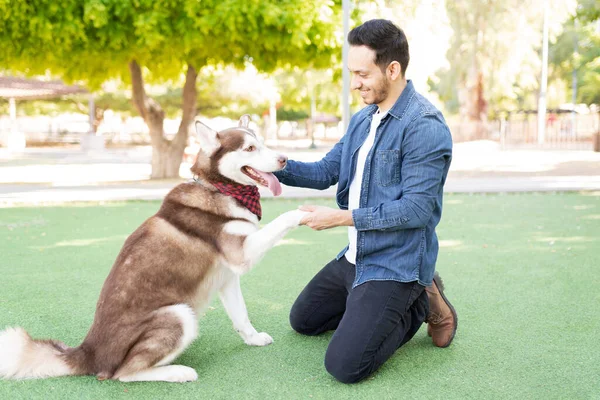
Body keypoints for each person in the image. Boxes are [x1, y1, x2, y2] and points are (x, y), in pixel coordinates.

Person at [273, 19, 457, 384]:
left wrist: (340, 219)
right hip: (358, 256)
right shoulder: (363, 119)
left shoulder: (425, 126)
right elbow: (325, 171)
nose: (354, 83)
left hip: (395, 262)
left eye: (362, 73)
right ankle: (384, 300)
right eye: (351, 73)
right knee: (304, 321)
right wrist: (269, 165)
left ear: (393, 69)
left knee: (345, 366)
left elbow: (417, 210)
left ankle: (422, 298)